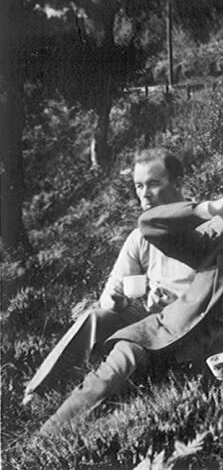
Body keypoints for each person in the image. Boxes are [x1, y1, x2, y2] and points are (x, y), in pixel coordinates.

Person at [39, 190, 223, 433]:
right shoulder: (220, 247)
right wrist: (213, 208)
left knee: (134, 424)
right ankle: (41, 443)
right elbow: (152, 225)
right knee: (107, 380)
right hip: (157, 341)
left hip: (209, 377)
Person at [23, 149, 195, 404]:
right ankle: (38, 394)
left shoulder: (206, 225)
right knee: (96, 317)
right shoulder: (140, 237)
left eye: (154, 184)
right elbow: (111, 294)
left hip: (192, 322)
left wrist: (174, 303)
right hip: (149, 318)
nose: (144, 194)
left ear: (178, 183)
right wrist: (119, 301)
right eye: (139, 186)